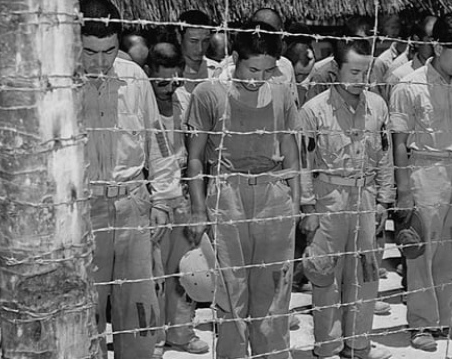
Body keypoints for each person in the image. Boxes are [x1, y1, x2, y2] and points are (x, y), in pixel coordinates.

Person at [185, 21, 300, 358]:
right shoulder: (208, 94)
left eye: (267, 70)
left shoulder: (281, 93)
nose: (258, 78)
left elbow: (291, 149)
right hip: (227, 195)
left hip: (272, 196)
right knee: (230, 291)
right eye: (252, 69)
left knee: (274, 290)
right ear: (234, 58)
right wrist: (198, 210)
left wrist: (295, 201)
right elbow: (194, 159)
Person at [79, 0, 182, 359]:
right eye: (89, 52)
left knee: (139, 310)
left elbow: (158, 142)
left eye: (108, 50)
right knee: (85, 311)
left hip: (133, 205)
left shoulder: (135, 77)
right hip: (83, 210)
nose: (100, 61)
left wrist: (164, 201)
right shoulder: (61, 82)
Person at [389, 12, 452, 350]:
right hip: (424, 171)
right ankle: (422, 324)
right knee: (421, 252)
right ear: (438, 46)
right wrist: (402, 192)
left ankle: (447, 319)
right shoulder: (409, 85)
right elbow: (398, 143)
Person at [299, 38, 394, 359]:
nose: (360, 80)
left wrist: (384, 199)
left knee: (366, 274)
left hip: (365, 198)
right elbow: (304, 165)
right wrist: (308, 207)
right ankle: (326, 348)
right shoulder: (314, 111)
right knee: (325, 275)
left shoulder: (377, 106)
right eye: (353, 72)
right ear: (336, 69)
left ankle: (358, 345)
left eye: (365, 72)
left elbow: (384, 155)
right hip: (329, 198)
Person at [144, 42, 209, 357]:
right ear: (148, 74)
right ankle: (153, 339)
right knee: (152, 276)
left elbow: (195, 152)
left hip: (181, 200)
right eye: (162, 82)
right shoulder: (139, 104)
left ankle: (182, 333)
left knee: (186, 272)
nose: (169, 88)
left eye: (174, 81)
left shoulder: (185, 100)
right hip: (150, 203)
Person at [177, 10, 219, 93]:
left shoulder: (217, 70)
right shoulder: (168, 71)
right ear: (179, 37)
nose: (200, 49)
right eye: (193, 41)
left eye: (205, 41)